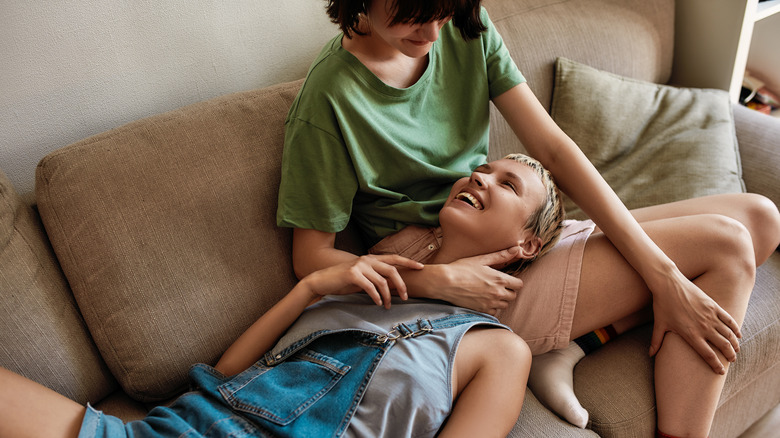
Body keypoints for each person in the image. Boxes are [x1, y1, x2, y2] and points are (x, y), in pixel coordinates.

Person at [275, 0, 780, 435]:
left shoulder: (465, 26)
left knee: (759, 216)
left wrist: (662, 272)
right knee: (726, 245)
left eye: (444, 12)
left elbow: (554, 151)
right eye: (415, 15)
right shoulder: (328, 101)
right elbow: (311, 259)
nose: (433, 34)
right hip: (455, 276)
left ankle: (575, 341)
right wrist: (440, 280)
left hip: (516, 234)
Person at [0, 154, 567, 438]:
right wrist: (311, 288)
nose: (479, 179)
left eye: (505, 184)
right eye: (480, 169)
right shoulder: (364, 279)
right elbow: (226, 374)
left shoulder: (499, 351)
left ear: (527, 241)